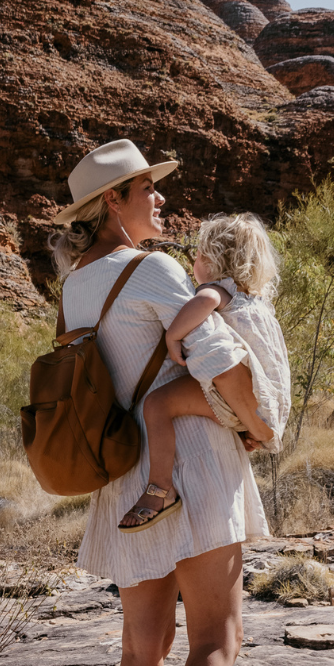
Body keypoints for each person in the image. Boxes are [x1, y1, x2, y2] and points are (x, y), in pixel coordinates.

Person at [50, 139, 269, 666]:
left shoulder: (76, 284)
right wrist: (260, 423)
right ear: (113, 202)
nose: (163, 202)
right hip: (195, 471)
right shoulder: (156, 270)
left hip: (125, 480)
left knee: (142, 654)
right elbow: (217, 356)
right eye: (150, 190)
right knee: (217, 638)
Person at [123, 213, 290, 534]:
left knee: (157, 405)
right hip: (263, 405)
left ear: (214, 261)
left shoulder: (219, 289)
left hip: (236, 391)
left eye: (198, 255)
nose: (194, 263)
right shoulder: (255, 303)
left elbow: (203, 302)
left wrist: (173, 334)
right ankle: (242, 429)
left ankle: (159, 489)